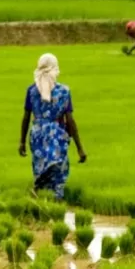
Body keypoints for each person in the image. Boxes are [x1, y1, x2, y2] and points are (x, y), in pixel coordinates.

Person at [19, 53, 87, 200]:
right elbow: (70, 121)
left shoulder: (32, 91)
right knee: (58, 171)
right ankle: (56, 200)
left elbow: (26, 118)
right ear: (55, 69)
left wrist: (22, 142)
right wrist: (80, 148)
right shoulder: (64, 91)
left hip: (37, 135)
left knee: (40, 169)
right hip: (57, 135)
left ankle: (40, 198)